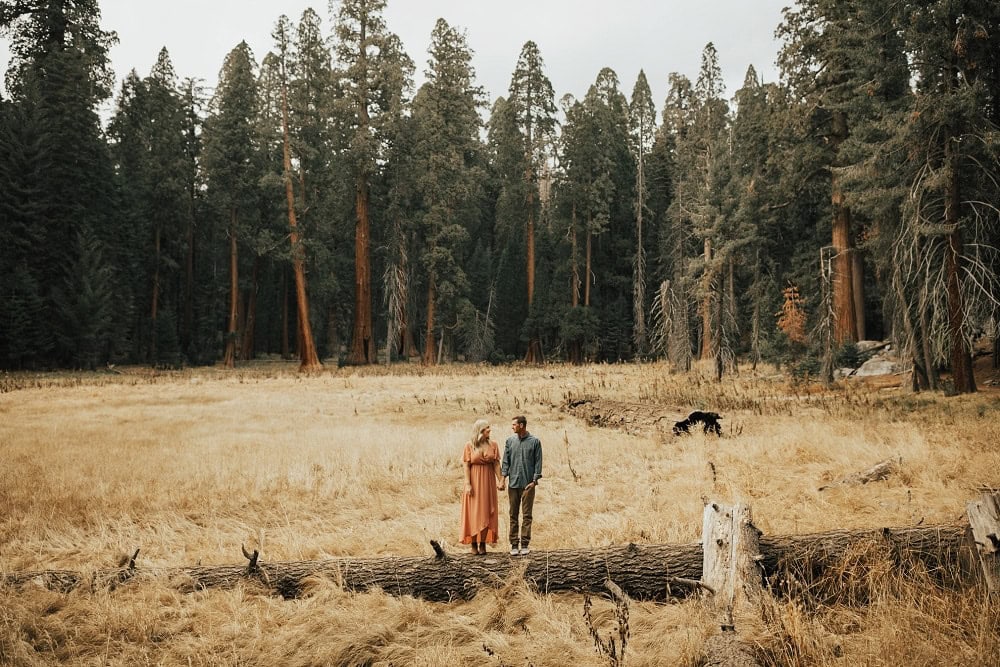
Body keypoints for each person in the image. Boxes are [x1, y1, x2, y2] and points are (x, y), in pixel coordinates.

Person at [460, 419, 503, 555]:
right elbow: (466, 465)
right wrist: (467, 484)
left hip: (488, 481)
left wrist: (501, 480)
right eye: (487, 428)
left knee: (486, 511)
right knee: (473, 512)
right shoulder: (469, 445)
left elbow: (496, 464)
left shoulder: (493, 444)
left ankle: (483, 543)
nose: (489, 430)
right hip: (474, 480)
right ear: (480, 430)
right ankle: (473, 543)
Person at [501, 415, 542, 556]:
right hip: (513, 484)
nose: (512, 427)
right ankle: (513, 544)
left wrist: (534, 481)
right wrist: (502, 479)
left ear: (522, 425)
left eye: (514, 424)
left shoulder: (535, 442)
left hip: (527, 485)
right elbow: (506, 462)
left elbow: (538, 462)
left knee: (527, 515)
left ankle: (524, 544)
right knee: (513, 514)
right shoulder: (509, 441)